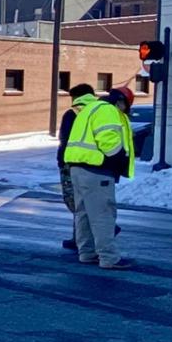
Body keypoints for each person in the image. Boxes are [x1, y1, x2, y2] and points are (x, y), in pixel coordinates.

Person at [64, 86, 136, 270]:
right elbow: (108, 139)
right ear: (121, 102)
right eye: (126, 108)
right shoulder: (108, 111)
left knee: (84, 213)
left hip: (77, 168)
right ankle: (109, 258)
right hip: (97, 169)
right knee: (103, 214)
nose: (124, 112)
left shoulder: (90, 108)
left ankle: (87, 253)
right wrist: (117, 157)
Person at [57, 84, 97, 250]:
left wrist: (63, 159)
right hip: (93, 162)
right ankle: (79, 237)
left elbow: (64, 138)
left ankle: (92, 230)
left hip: (70, 161)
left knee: (74, 200)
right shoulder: (99, 111)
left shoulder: (72, 113)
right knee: (85, 198)